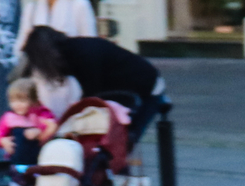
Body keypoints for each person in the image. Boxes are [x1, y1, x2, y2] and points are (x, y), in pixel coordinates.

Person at [20, 25, 164, 129]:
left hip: (146, 89)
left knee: (123, 140)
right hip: (134, 86)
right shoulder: (75, 50)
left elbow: (92, 95)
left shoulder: (83, 55)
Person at [0, 75, 52, 166]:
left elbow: (50, 124)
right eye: (13, 101)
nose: (17, 105)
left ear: (33, 101)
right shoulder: (9, 117)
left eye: (22, 101)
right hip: (17, 162)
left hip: (40, 160)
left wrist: (39, 130)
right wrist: (2, 141)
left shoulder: (39, 114)